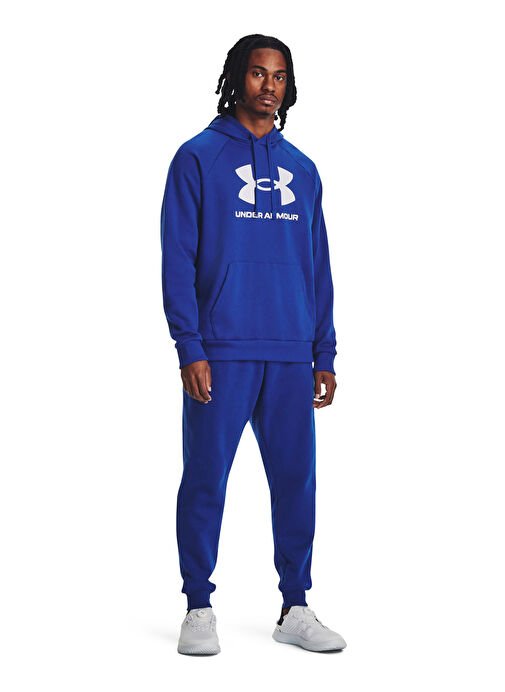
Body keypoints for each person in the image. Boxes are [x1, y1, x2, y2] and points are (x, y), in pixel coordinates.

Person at [160, 34, 347, 655]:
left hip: (291, 351)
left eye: (280, 76)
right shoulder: (197, 158)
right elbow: (177, 259)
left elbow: (318, 266)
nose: (270, 86)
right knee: (205, 479)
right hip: (223, 347)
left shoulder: (303, 169)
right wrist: (189, 346)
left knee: (297, 483)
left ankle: (295, 605)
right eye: (259, 73)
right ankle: (198, 605)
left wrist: (324, 351)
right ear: (236, 78)